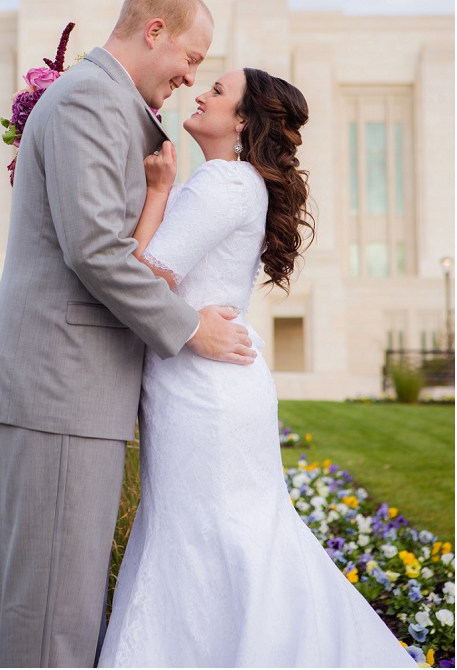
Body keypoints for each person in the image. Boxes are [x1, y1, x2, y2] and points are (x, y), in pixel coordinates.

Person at [0, 0, 255, 668]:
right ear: (154, 30)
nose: (192, 77)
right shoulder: (91, 101)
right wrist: (193, 328)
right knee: (54, 622)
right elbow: (96, 249)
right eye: (191, 56)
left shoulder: (110, 104)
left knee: (65, 608)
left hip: (73, 391)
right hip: (59, 388)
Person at [98, 68, 415, 667]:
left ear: (242, 121)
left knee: (204, 539)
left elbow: (141, 277)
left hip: (203, 395)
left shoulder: (218, 182)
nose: (200, 93)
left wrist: (159, 193)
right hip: (211, 384)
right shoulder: (237, 182)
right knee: (230, 536)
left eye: (216, 91)